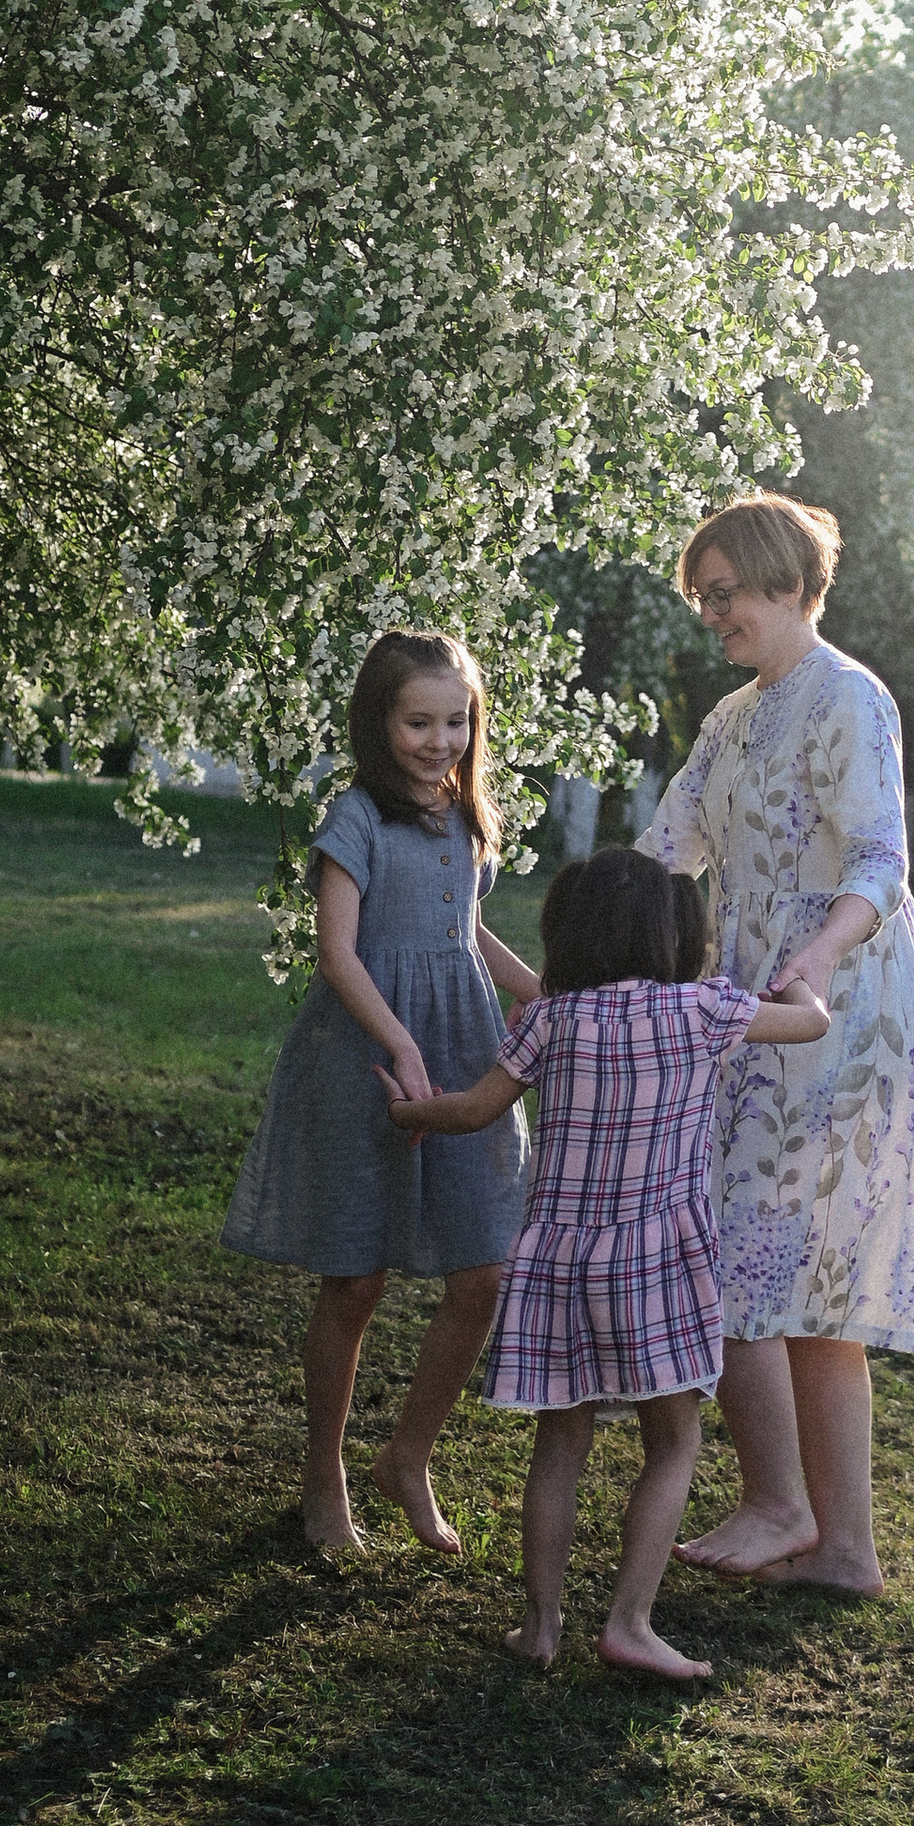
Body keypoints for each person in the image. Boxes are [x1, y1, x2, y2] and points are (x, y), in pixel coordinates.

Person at [383, 844, 829, 1681]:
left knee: (563, 1439)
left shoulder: (550, 1019)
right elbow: (812, 1023)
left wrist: (414, 1111)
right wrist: (803, 977)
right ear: (675, 935)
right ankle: (628, 1620)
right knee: (673, 1441)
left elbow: (477, 1107)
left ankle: (541, 1625)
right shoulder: (703, 1009)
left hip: (559, 1258)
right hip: (658, 1261)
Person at [641, 492, 914, 1597]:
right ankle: (844, 1551)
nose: (713, 614)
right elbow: (663, 853)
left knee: (745, 1255)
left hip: (842, 1010)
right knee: (791, 1275)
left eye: (726, 592)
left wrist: (820, 954)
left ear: (789, 584)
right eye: (704, 598)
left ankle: (786, 1506)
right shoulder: (733, 719)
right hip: (753, 1012)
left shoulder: (849, 697)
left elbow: (881, 858)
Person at [222, 629, 538, 1556]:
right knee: (356, 1277)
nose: (439, 741)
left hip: (463, 1045)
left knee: (484, 1269)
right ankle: (325, 1475)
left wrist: (541, 994)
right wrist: (398, 1043)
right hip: (362, 1052)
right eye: (417, 722)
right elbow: (338, 953)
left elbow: (467, 933)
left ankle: (409, 1454)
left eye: (455, 720)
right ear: (379, 720)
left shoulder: (468, 815)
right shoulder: (354, 819)